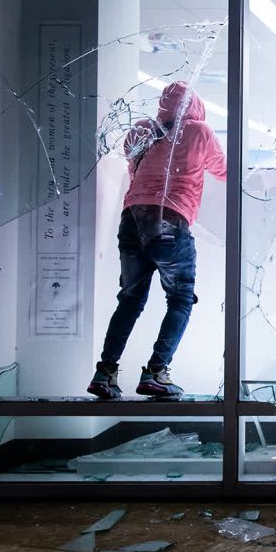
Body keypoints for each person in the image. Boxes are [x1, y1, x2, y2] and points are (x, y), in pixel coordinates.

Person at [87, 81, 227, 400]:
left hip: (131, 218)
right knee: (180, 299)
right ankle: (156, 372)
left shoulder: (140, 131)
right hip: (170, 220)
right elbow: (224, 170)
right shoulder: (199, 130)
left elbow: (131, 163)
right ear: (195, 105)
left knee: (131, 299)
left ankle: (105, 373)